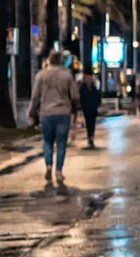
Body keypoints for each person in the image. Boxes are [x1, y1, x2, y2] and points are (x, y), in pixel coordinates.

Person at [27, 50, 80, 187]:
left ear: (49, 60)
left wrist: (31, 112)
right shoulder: (67, 75)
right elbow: (74, 96)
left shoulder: (41, 75)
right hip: (63, 113)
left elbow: (35, 96)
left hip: (46, 113)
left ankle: (48, 166)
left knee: (47, 142)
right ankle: (59, 171)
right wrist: (75, 111)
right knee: (61, 143)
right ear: (60, 61)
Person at [79, 69, 103, 149]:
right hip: (86, 108)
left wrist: (97, 104)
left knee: (92, 124)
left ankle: (91, 138)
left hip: (93, 108)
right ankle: (90, 138)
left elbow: (97, 96)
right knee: (88, 123)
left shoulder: (94, 87)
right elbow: (81, 97)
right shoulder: (82, 87)